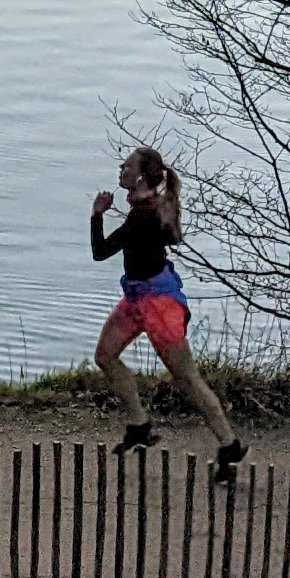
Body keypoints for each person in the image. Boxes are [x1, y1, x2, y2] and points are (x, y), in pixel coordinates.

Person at [90, 142, 247, 473]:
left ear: (143, 177)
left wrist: (97, 215)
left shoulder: (142, 219)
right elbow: (171, 239)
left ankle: (228, 443)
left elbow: (101, 252)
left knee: (186, 377)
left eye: (127, 167)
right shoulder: (152, 208)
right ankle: (139, 424)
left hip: (160, 305)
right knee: (105, 355)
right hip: (136, 298)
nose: (121, 170)